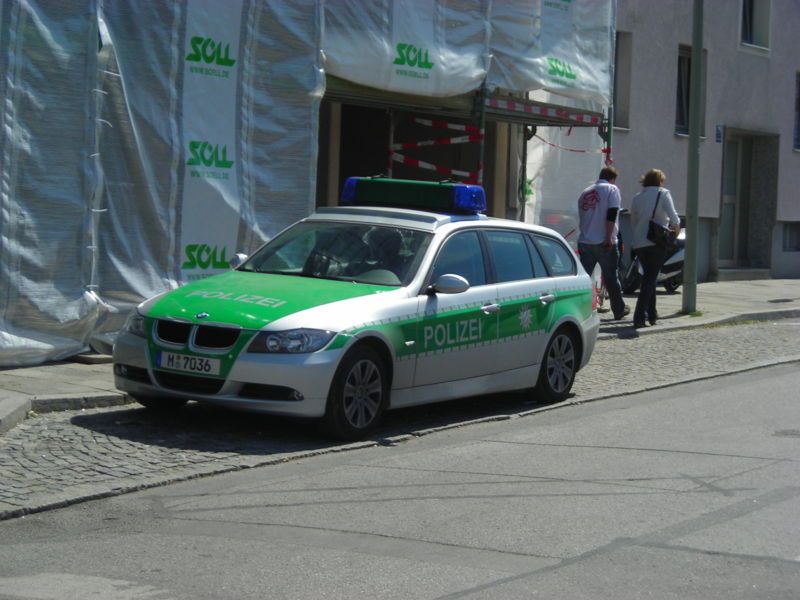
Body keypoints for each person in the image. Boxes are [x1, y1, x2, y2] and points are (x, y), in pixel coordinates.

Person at [629, 168, 681, 328]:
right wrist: (676, 231)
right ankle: (639, 317)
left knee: (648, 278)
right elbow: (674, 218)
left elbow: (633, 221)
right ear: (660, 181)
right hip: (656, 242)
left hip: (639, 243)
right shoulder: (663, 193)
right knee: (650, 280)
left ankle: (652, 315)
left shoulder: (637, 197)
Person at [577, 166, 629, 320]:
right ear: (612, 179)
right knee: (611, 277)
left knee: (583, 279)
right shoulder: (612, 189)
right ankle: (618, 310)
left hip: (585, 241)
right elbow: (612, 214)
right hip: (603, 241)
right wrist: (608, 237)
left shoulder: (585, 192)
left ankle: (579, 309)